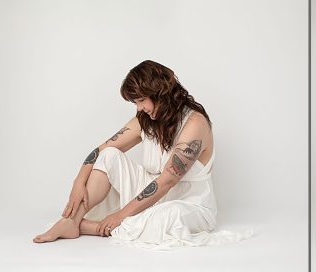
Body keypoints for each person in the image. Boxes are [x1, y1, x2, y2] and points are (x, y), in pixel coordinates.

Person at [33, 60, 245, 249]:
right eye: (136, 102)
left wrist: (120, 214)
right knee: (109, 156)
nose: (140, 108)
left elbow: (167, 181)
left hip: (188, 203)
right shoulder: (146, 120)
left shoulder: (194, 124)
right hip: (152, 194)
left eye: (142, 100)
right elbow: (101, 150)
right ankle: (73, 222)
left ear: (160, 93)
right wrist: (78, 182)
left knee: (167, 219)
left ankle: (87, 226)